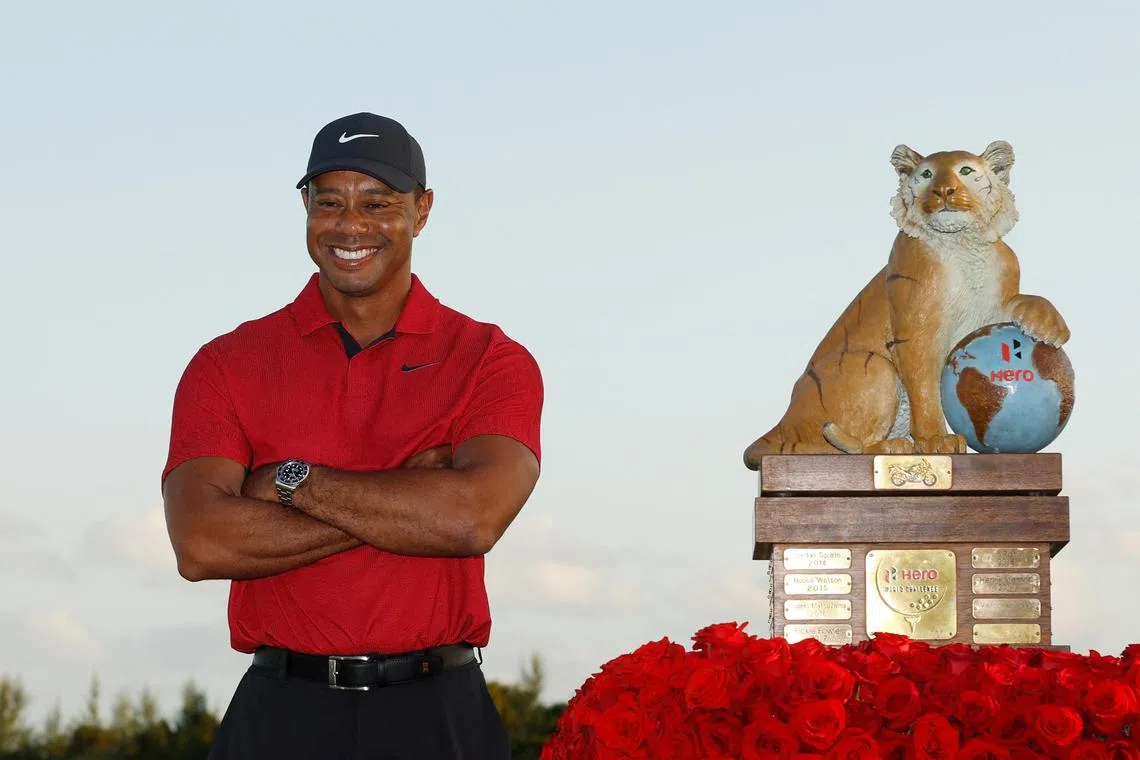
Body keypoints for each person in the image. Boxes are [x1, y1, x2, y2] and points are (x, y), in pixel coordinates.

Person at [160, 112, 543, 759]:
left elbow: (474, 518)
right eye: (329, 200)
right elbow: (200, 543)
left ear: (421, 211)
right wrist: (412, 498)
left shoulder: (489, 358)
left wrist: (289, 484)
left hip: (436, 712)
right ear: (304, 205)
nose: (350, 225)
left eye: (378, 202)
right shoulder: (227, 363)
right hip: (281, 709)